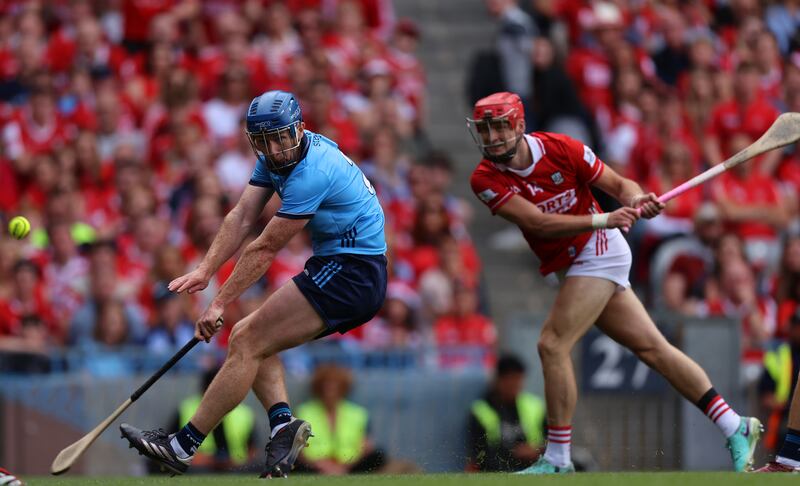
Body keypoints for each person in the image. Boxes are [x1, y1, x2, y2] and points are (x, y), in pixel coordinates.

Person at [467, 91, 761, 474]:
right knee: (654, 349)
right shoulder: (484, 178)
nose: (491, 137)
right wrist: (603, 218)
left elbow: (621, 185)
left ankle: (558, 460)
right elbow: (538, 222)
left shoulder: (563, 149)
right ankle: (735, 425)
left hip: (600, 252)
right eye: (485, 129)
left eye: (499, 127)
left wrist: (641, 198)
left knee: (552, 344)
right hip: (581, 254)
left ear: (520, 125)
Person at [120, 90, 388, 478]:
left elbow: (264, 248)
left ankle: (182, 447)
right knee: (253, 337)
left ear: (299, 129)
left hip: (352, 272)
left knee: (246, 341)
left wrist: (218, 303)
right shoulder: (277, 158)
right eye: (264, 141)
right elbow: (242, 215)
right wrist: (204, 271)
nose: (275, 149)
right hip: (340, 266)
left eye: (281, 137)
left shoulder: (312, 171)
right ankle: (283, 427)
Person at [295, 364, 387, 474]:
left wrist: (345, 466)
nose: (330, 388)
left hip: (350, 464)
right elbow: (298, 447)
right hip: (314, 465)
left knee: (379, 455)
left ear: (343, 387)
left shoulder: (358, 413)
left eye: (335, 384)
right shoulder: (304, 411)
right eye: (326, 384)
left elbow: (366, 445)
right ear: (318, 387)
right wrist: (321, 465)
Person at [467, 355, 545, 472]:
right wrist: (513, 453)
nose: (515, 385)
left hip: (534, 466)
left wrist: (536, 450)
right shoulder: (481, 411)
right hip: (499, 469)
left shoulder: (535, 406)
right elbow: (479, 454)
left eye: (518, 379)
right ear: (498, 380)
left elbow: (552, 441)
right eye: (510, 379)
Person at [756, 314, 800, 472]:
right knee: (782, 429)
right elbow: (765, 395)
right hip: (784, 413)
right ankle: (789, 458)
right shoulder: (780, 354)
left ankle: (790, 459)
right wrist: (781, 404)